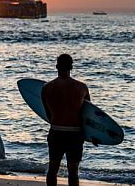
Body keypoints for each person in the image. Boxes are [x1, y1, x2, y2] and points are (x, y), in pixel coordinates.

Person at [41, 53, 90, 186]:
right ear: (72, 67)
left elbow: (48, 115)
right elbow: (87, 116)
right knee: (73, 171)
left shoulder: (46, 88)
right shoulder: (82, 88)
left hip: (56, 132)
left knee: (52, 169)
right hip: (75, 134)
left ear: (56, 66)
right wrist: (92, 136)